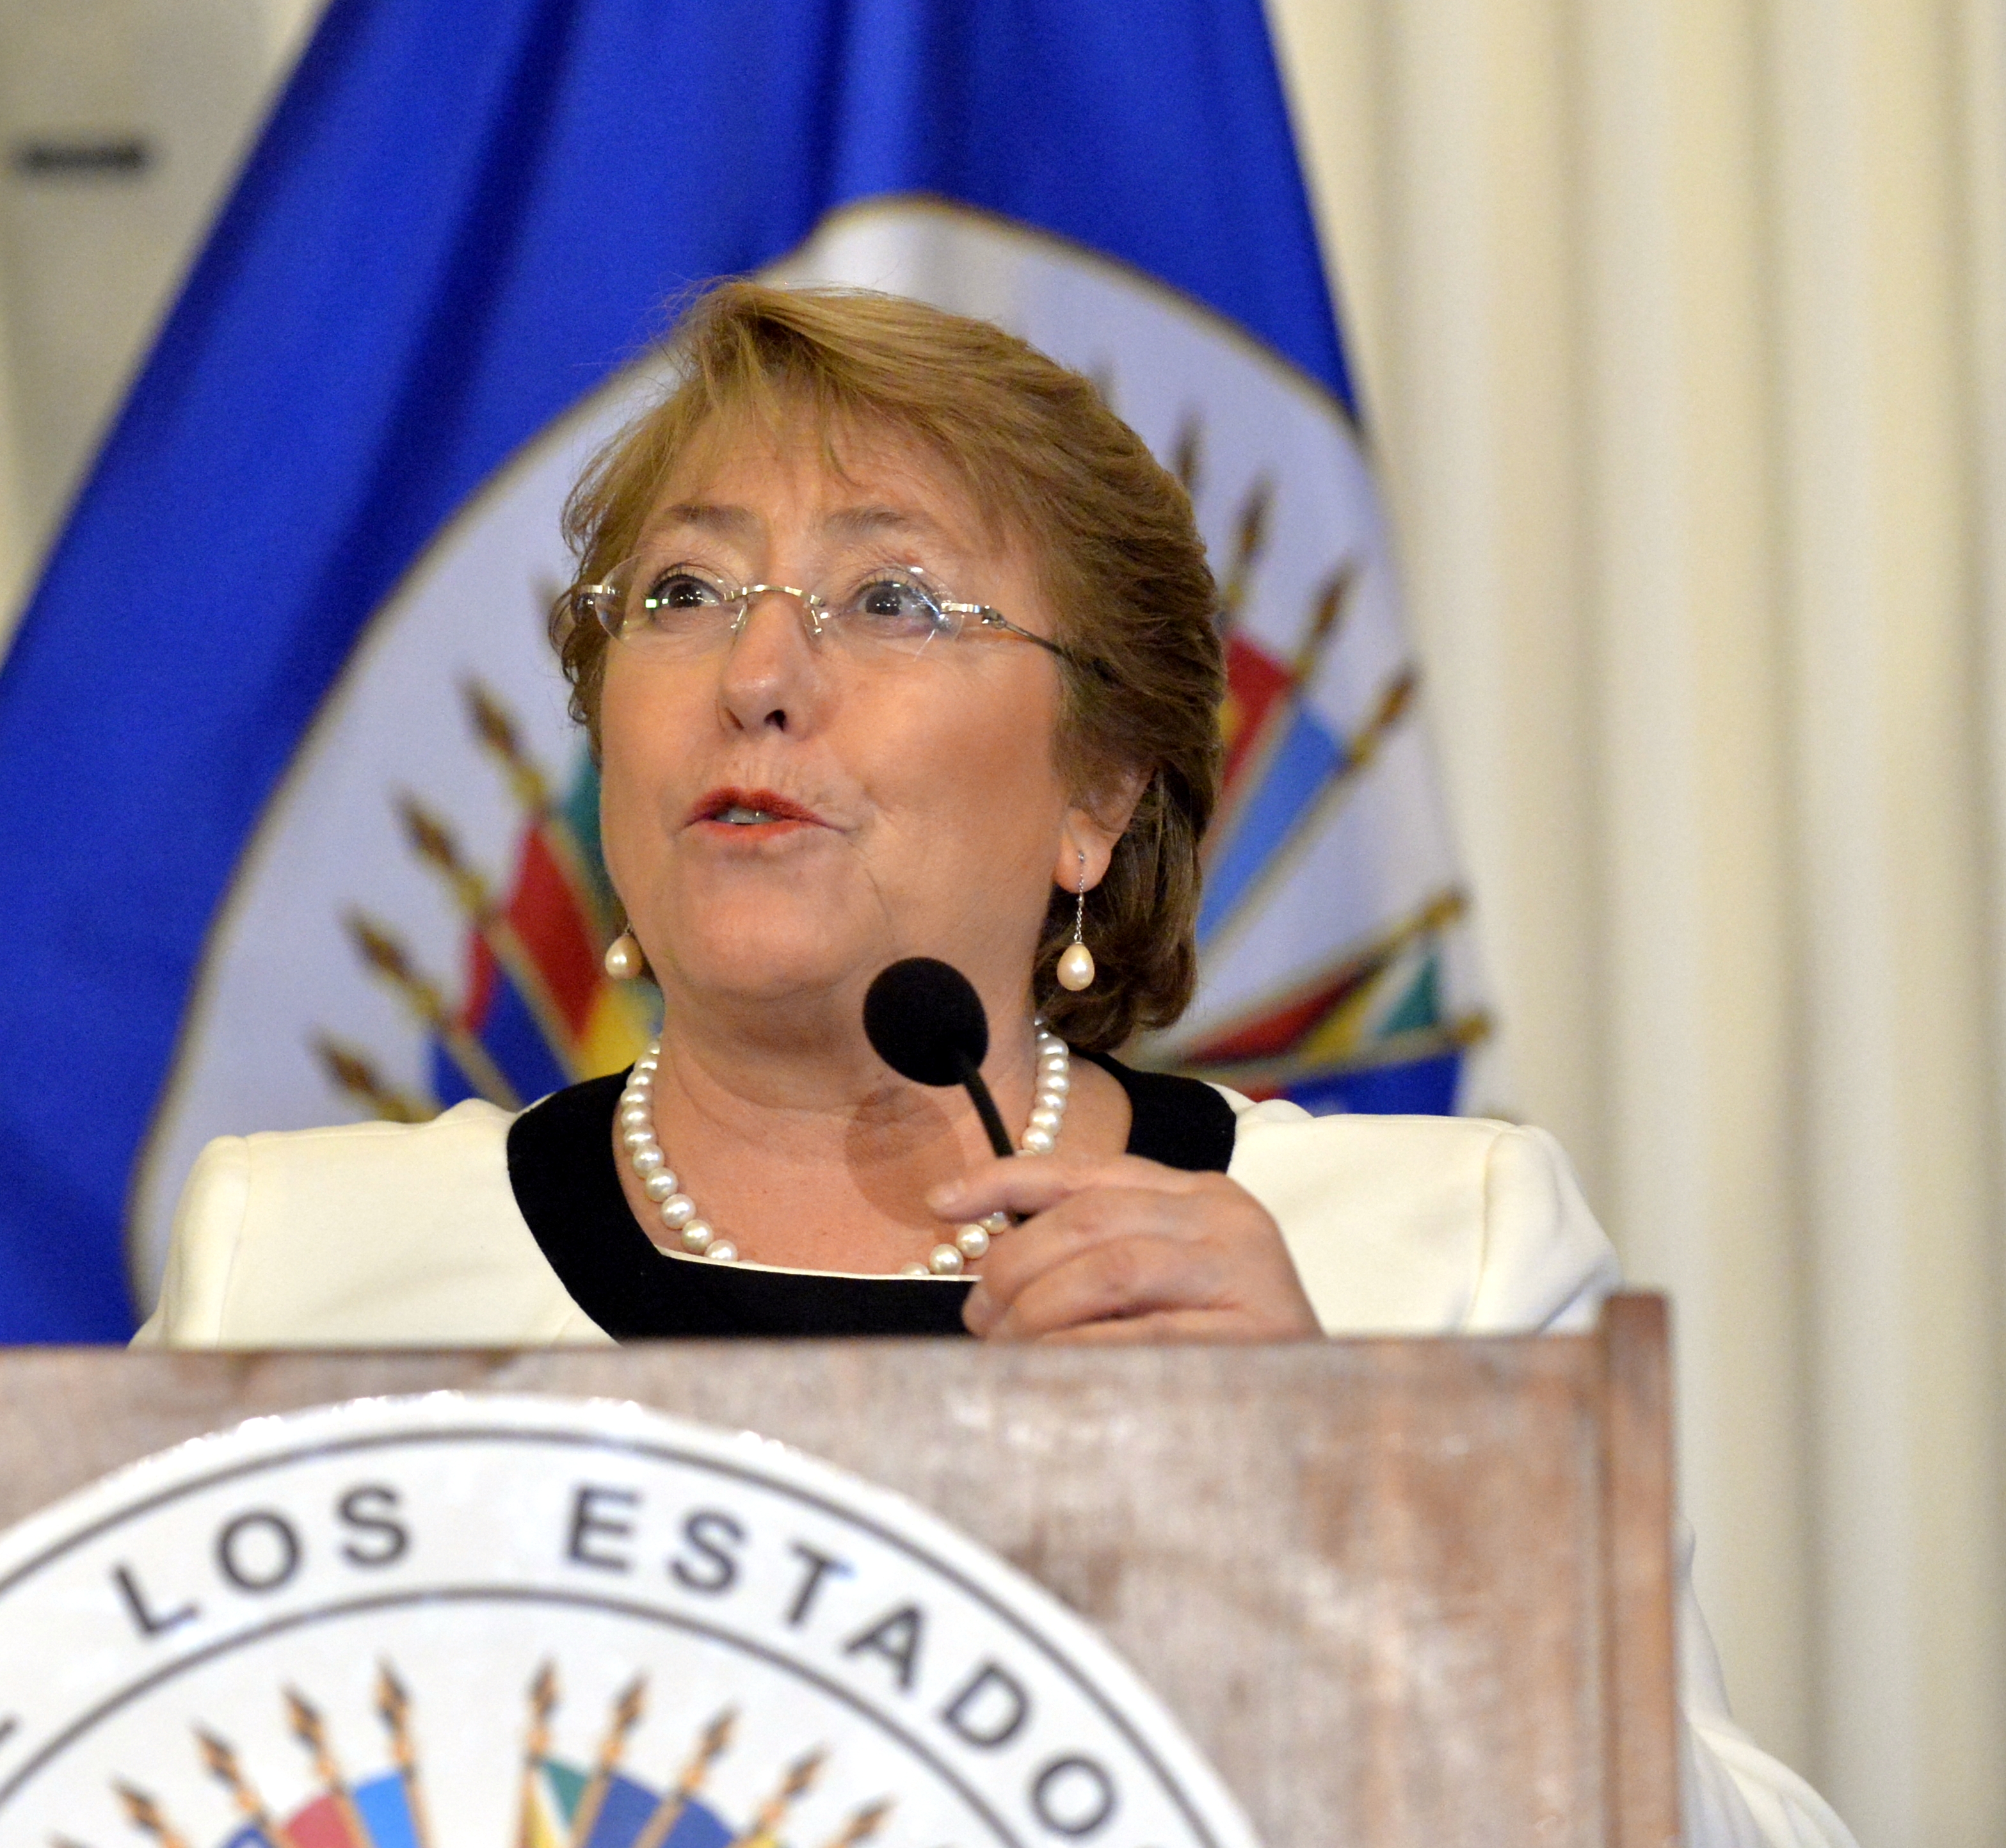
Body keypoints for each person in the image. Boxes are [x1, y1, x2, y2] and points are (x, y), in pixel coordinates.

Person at [140, 282, 1852, 1847]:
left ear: (1095, 800)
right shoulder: (287, 1272)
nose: (757, 673)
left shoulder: (1438, 1263)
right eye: (683, 591)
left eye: (892, 598)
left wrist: (1363, 1524)